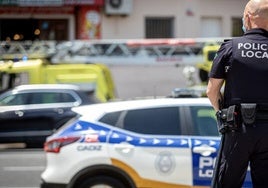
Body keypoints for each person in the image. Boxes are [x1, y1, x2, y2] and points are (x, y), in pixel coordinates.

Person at [206, 0, 268, 187]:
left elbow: (211, 90)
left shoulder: (231, 47)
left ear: (248, 18)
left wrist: (222, 113)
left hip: (237, 127)